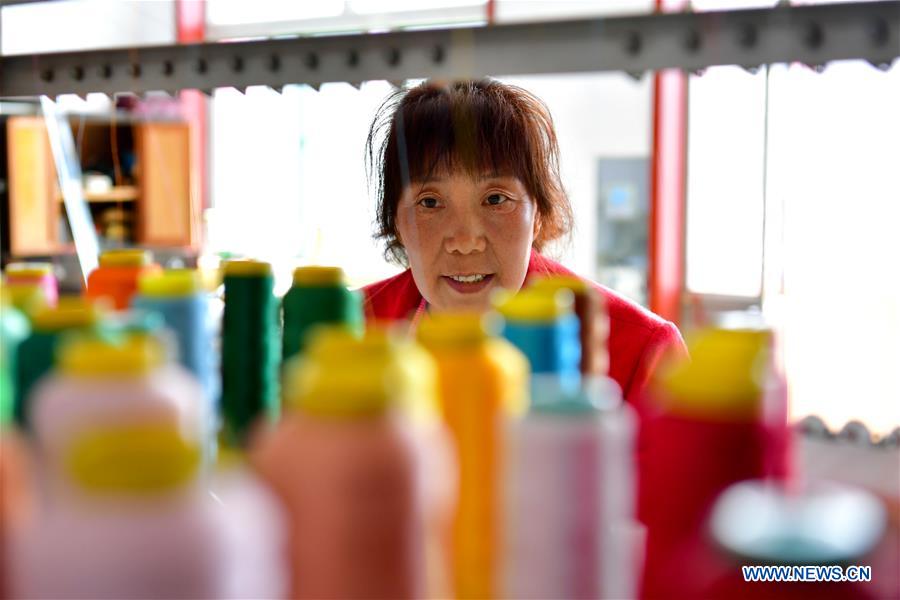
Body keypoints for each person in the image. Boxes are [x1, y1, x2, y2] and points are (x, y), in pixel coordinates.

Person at [362, 79, 686, 408]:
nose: (465, 242)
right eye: (430, 203)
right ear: (396, 223)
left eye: (496, 199)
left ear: (539, 215)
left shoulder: (642, 353)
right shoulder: (350, 332)